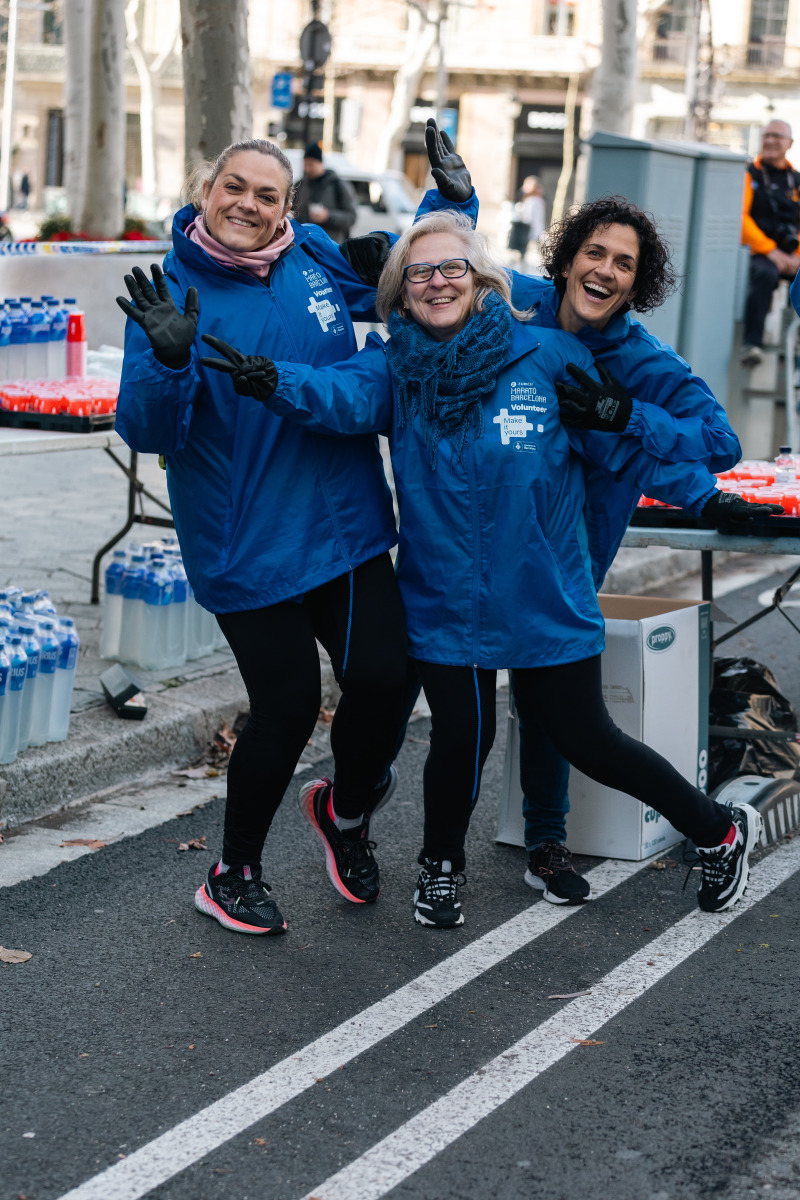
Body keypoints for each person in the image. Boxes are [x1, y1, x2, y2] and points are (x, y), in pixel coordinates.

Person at [201, 208, 766, 930]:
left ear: (485, 281)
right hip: (445, 593)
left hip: (544, 591)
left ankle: (719, 829)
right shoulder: (396, 368)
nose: (438, 282)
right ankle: (441, 866)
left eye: (453, 269)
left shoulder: (551, 356)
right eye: (420, 273)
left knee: (587, 738)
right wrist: (271, 379)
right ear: (402, 294)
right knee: (462, 739)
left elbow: (627, 452)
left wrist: (707, 494)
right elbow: (337, 396)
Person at [114, 136, 477, 937]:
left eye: (266, 195)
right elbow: (144, 430)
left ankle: (344, 816)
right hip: (247, 541)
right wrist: (167, 361)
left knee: (387, 678)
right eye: (233, 188)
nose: (247, 205)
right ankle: (232, 870)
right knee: (287, 706)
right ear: (205, 190)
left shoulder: (311, 254)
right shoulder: (170, 293)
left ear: (289, 207)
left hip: (343, 526)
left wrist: (448, 205)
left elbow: (416, 283)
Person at [506, 196, 764, 902]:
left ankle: (711, 829)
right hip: (483, 551)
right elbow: (433, 272)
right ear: (565, 259)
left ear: (637, 283)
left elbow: (719, 443)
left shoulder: (642, 360)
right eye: (595, 253)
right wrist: (445, 206)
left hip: (565, 561)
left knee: (576, 727)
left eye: (625, 263)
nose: (606, 271)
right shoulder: (516, 303)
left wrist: (628, 411)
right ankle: (531, 843)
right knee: (484, 707)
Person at [740, 119, 800, 367]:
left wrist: (796, 255)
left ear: (789, 143)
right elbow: (740, 218)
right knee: (765, 274)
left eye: (777, 136)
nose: (771, 140)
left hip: (792, 254)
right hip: (760, 253)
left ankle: (795, 349)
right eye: (767, 135)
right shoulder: (748, 173)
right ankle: (752, 344)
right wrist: (770, 251)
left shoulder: (796, 179)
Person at [293, 141, 357, 244]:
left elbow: (351, 218)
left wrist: (328, 216)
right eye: (305, 164)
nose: (307, 169)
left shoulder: (338, 185)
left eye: (310, 164)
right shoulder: (299, 185)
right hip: (303, 246)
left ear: (320, 163)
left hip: (330, 248)